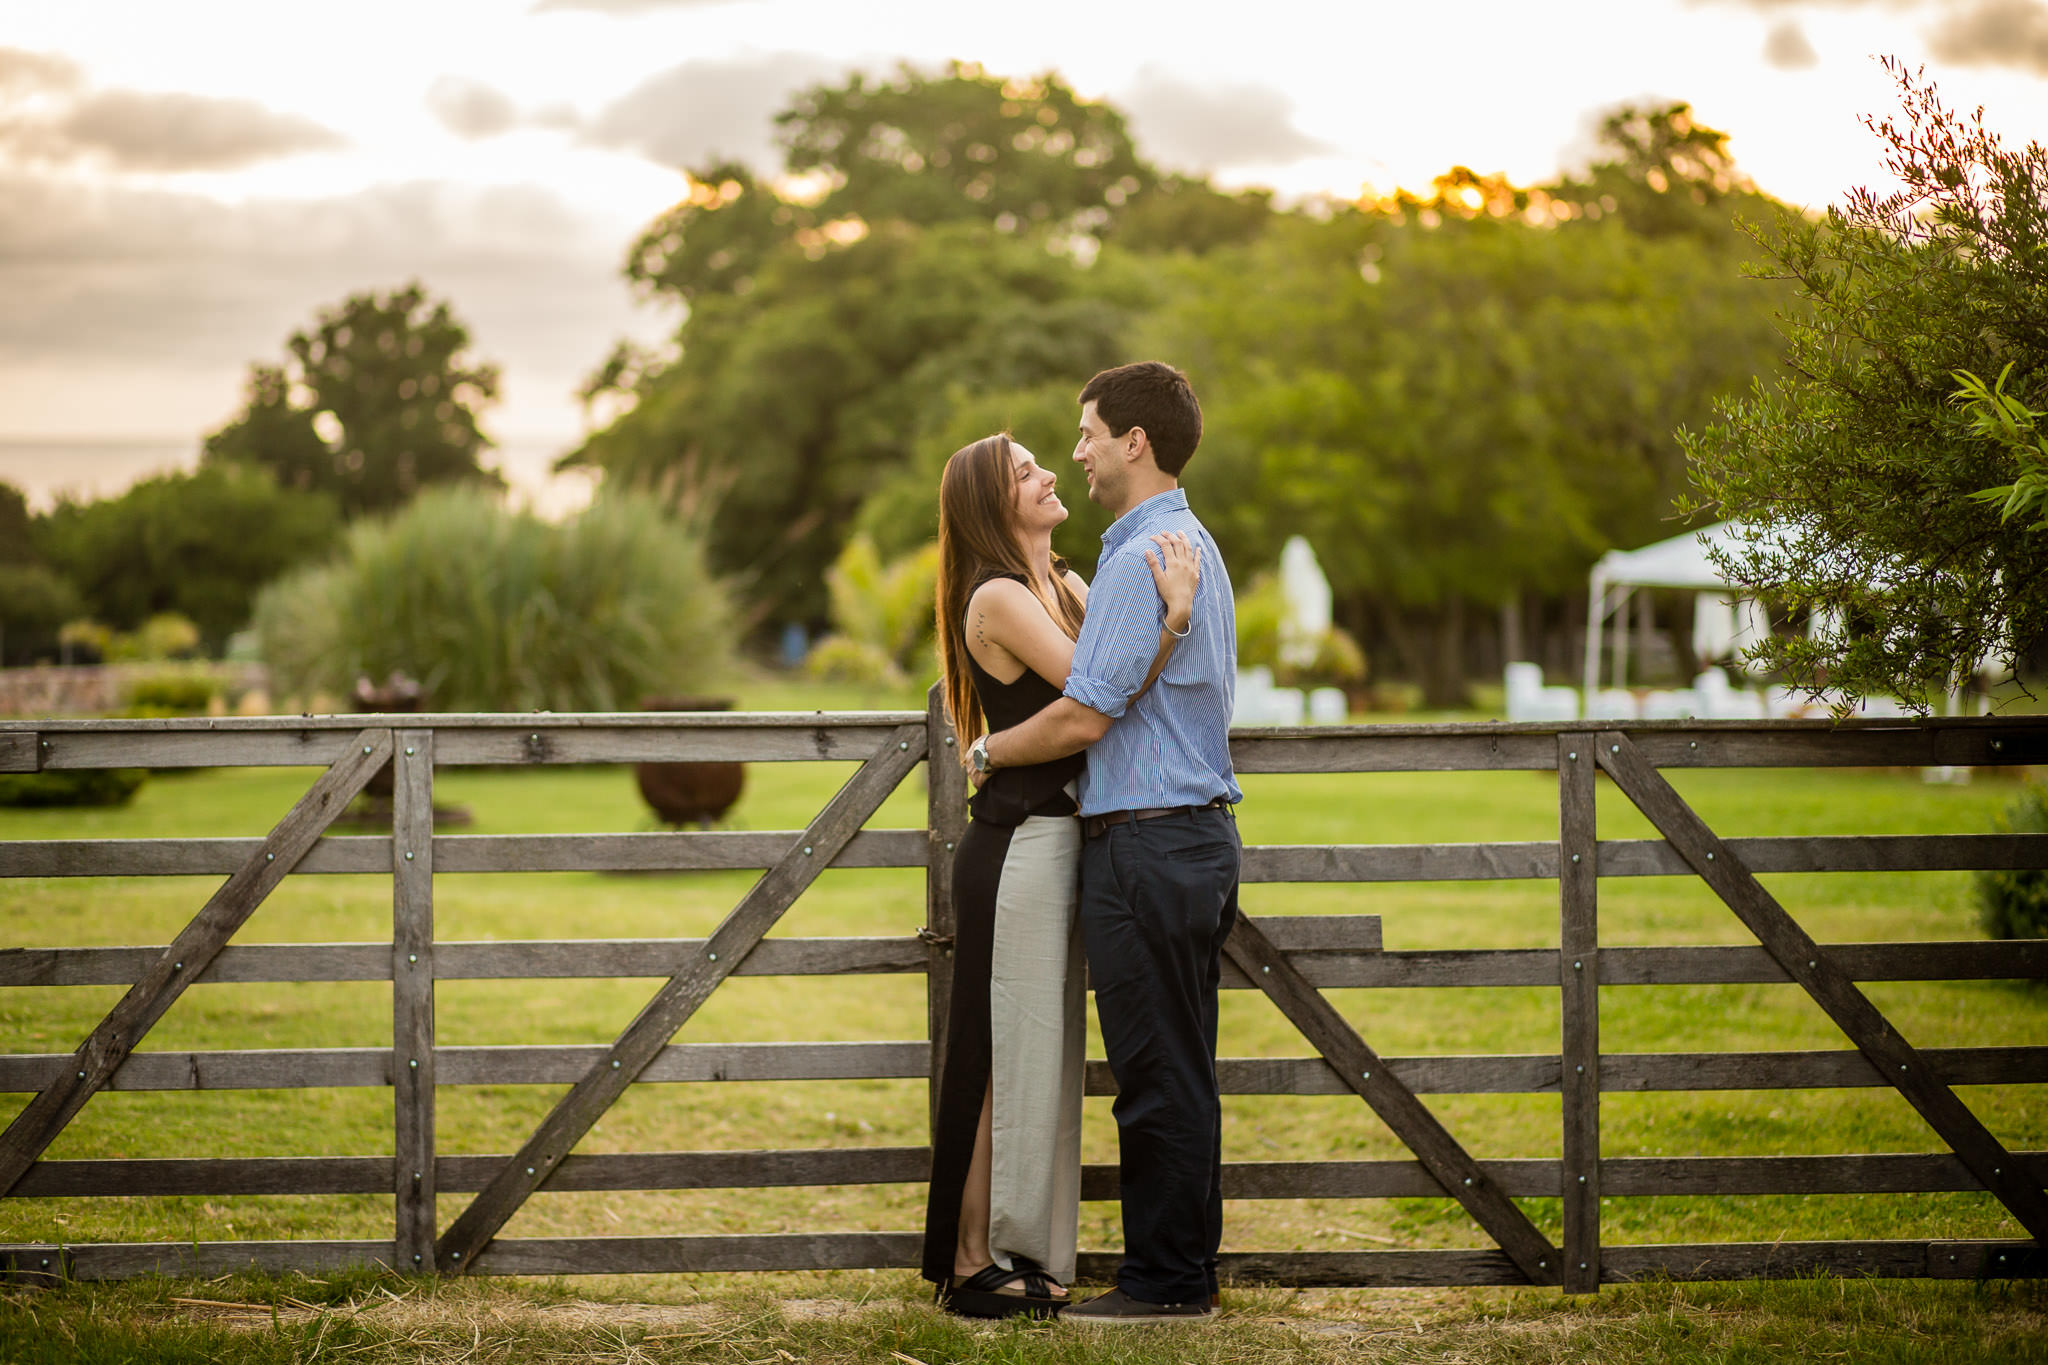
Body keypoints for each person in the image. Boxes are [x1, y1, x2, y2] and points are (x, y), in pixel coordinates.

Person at [972, 361, 1240, 1326]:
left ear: (1134, 441)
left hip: (1150, 843)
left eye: (1086, 433)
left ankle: (1164, 1283)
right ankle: (1187, 1271)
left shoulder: (1139, 560)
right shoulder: (1176, 547)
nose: (1077, 452)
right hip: (1187, 840)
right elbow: (1124, 684)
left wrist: (986, 748)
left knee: (1156, 1072)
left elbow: (1085, 712)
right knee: (1181, 1063)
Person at [922, 431, 1201, 1319]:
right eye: (1027, 471)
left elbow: (1114, 696)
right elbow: (1093, 692)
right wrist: (1167, 620)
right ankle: (971, 1263)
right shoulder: (999, 596)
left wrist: (1175, 620)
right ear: (992, 504)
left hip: (1059, 844)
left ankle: (1025, 1251)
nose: (1050, 474)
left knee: (1044, 1055)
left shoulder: (1068, 583)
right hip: (1013, 850)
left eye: (1047, 460)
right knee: (999, 1052)